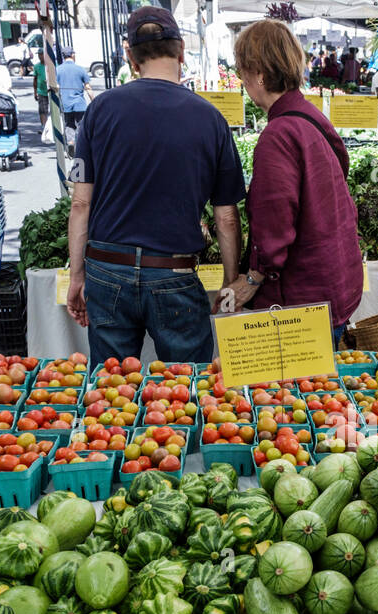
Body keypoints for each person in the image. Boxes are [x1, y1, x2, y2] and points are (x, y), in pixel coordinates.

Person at [65, 5, 245, 368]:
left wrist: (77, 277)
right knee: (186, 390)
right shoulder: (211, 119)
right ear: (181, 51)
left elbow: (80, 204)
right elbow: (226, 217)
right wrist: (230, 282)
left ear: (130, 57)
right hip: (173, 274)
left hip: (106, 270)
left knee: (111, 395)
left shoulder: (99, 110)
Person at [222, 19, 363, 345]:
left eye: (243, 70)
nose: (243, 79)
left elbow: (275, 222)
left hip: (301, 301)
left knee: (291, 393)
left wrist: (254, 278)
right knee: (322, 394)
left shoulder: (279, 134)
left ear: (258, 72)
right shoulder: (311, 116)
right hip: (334, 286)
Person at [55, 50, 93, 128]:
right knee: (82, 128)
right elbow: (88, 88)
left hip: (65, 105)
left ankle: (70, 141)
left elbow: (56, 88)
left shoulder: (57, 70)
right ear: (72, 55)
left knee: (69, 128)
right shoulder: (80, 69)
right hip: (80, 104)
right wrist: (94, 101)